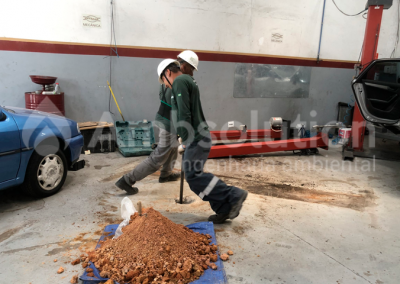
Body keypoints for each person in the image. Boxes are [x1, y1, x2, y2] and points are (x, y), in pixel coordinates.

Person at [157, 56, 248, 224]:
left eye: (164, 80)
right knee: (194, 176)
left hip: (195, 137)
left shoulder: (179, 82)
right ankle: (223, 208)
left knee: (193, 176)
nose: (166, 84)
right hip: (198, 136)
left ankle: (233, 194)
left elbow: (184, 113)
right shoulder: (186, 81)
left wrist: (184, 138)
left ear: (168, 72)